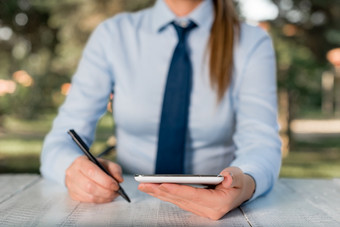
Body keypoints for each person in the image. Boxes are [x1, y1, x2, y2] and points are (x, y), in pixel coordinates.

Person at [40, 0, 282, 220]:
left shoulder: (251, 42)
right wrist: (72, 169)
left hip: (216, 213)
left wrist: (246, 183)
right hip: (129, 207)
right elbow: (61, 141)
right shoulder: (114, 35)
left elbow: (260, 142)